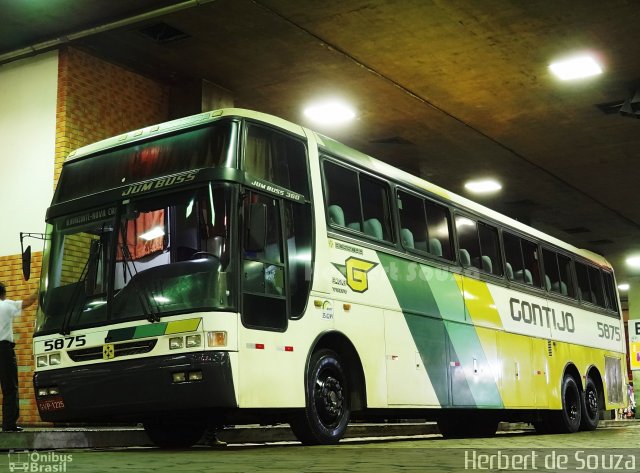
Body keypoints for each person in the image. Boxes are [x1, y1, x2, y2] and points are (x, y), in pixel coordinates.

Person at [0, 282, 37, 432]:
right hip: (3, 351)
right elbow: (28, 302)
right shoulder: (6, 305)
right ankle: (9, 425)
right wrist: (39, 290)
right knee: (9, 388)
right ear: (3, 294)